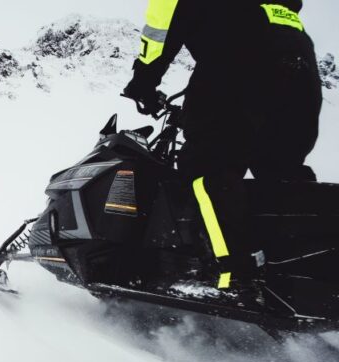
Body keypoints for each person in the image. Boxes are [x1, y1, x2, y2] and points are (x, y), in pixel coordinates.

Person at [122, 0, 323, 291]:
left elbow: (159, 32)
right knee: (282, 172)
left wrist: (143, 84)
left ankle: (235, 276)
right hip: (302, 72)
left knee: (207, 167)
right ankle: (304, 271)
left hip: (238, 65)